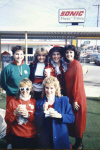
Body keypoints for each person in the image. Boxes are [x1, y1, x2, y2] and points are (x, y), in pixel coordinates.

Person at [1, 45, 30, 148]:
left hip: (23, 96)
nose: (19, 56)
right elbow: (3, 83)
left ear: (23, 55)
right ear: (13, 54)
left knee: (22, 117)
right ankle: (9, 141)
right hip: (12, 97)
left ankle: (21, 136)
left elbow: (28, 81)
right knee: (10, 119)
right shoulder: (8, 68)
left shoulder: (27, 67)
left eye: (21, 54)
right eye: (17, 54)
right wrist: (10, 90)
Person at [35, 76, 75, 149]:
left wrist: (60, 115)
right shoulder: (39, 102)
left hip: (60, 137)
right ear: (44, 88)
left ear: (56, 89)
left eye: (51, 88)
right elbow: (37, 122)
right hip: (46, 139)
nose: (49, 90)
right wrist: (43, 111)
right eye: (47, 87)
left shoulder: (64, 100)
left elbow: (72, 118)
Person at [64, 45, 87, 149]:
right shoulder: (69, 65)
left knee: (78, 121)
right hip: (71, 96)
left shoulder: (76, 65)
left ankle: (79, 144)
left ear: (75, 53)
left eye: (71, 52)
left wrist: (75, 100)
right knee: (74, 121)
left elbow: (77, 84)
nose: (69, 54)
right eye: (67, 52)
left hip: (77, 98)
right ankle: (78, 143)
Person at [5, 78, 38, 149]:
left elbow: (38, 122)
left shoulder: (34, 102)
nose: (25, 91)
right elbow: (7, 120)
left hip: (31, 135)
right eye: (22, 89)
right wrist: (14, 113)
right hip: (17, 135)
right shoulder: (12, 102)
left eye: (27, 89)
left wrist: (28, 116)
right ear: (19, 89)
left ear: (31, 89)